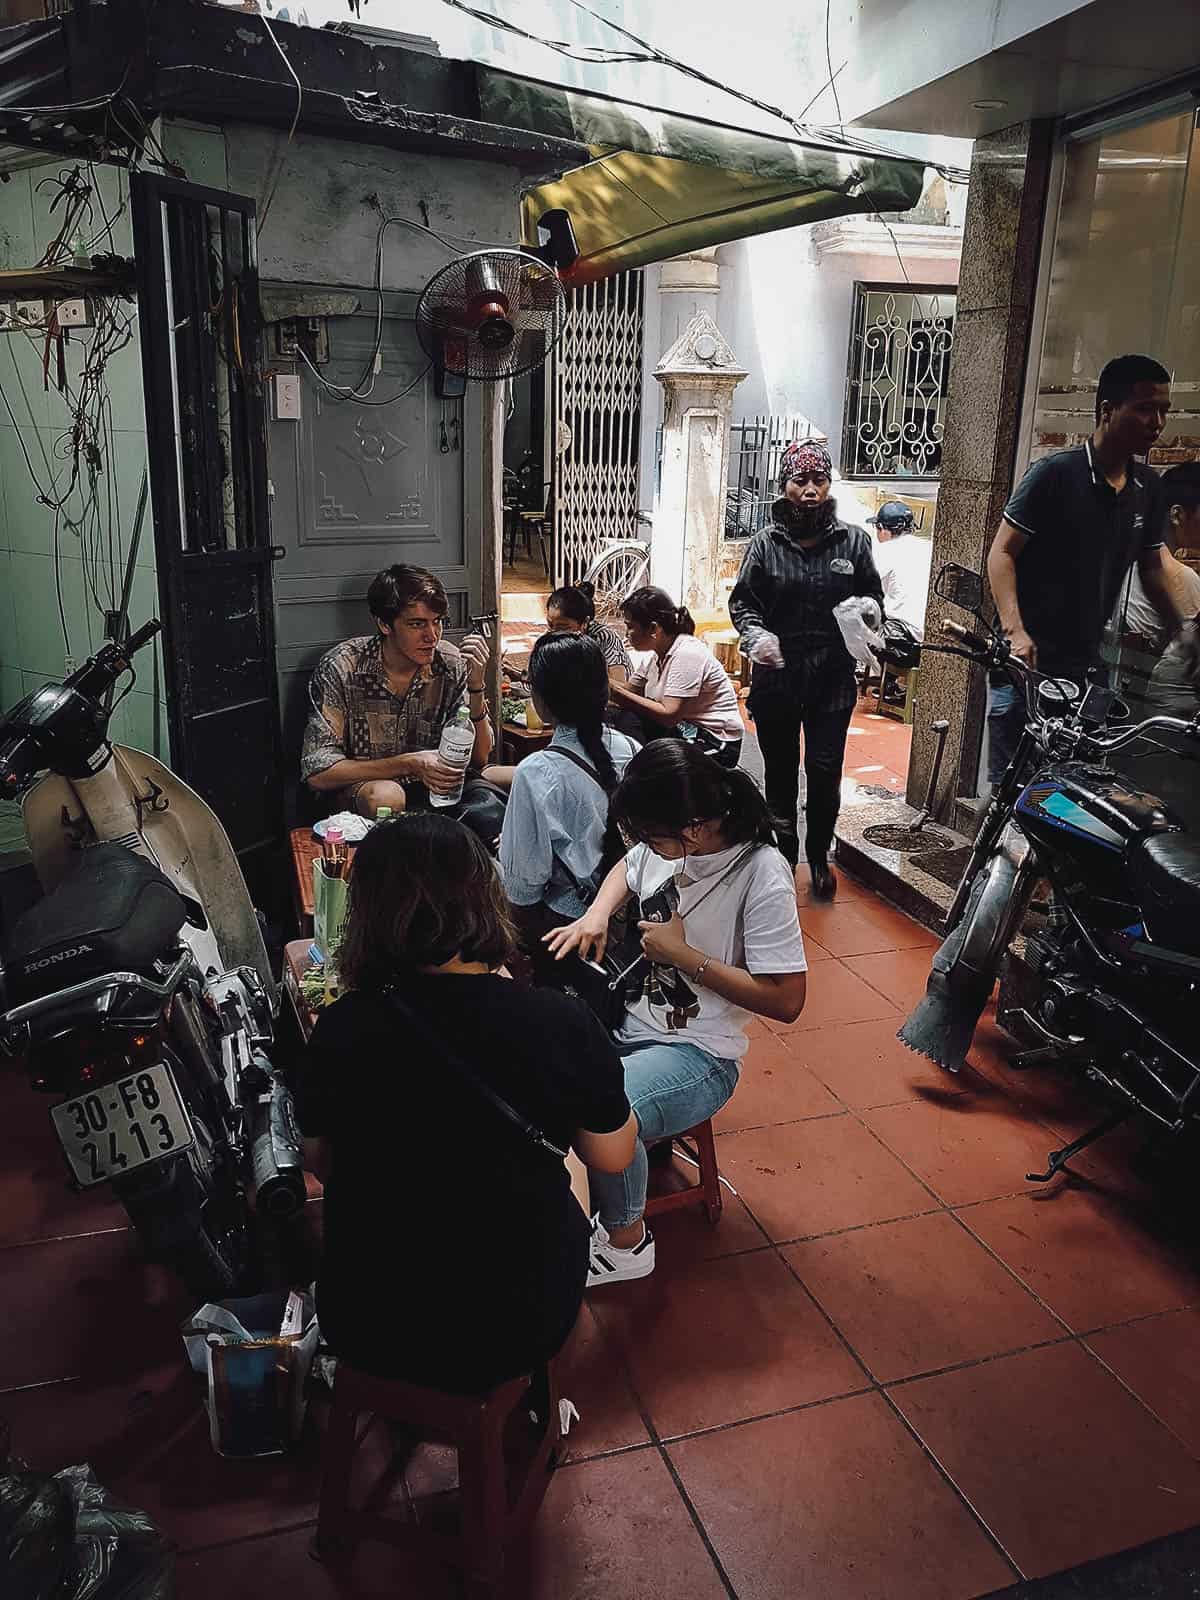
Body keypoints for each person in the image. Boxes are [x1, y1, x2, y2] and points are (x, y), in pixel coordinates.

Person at [296, 813, 637, 1393]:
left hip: (369, 1322)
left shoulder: (343, 1026)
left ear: (368, 916)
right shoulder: (557, 1021)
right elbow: (614, 1156)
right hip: (519, 1325)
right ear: (486, 900)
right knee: (573, 1160)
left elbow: (318, 1161)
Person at [545, 741, 807, 1285]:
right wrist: (595, 914)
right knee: (544, 1068)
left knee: (607, 1107)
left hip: (701, 1052)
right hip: (627, 1022)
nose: (641, 845)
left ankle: (625, 1243)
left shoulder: (761, 873)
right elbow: (628, 865)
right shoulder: (670, 847)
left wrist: (686, 956)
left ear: (691, 828)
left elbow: (787, 1000)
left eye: (649, 835)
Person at [985, 354, 1200, 783]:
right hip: (1026, 669)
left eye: (1163, 411)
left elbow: (1153, 570)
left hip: (1086, 670)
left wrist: (1183, 633)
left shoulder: (1148, 488)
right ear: (1107, 410)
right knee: (1015, 795)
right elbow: (1001, 554)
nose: (1156, 423)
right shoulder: (1053, 475)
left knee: (1073, 794)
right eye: (1144, 408)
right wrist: (1015, 631)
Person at [729, 439, 883, 897]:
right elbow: (744, 603)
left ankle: (819, 856)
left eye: (819, 480)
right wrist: (756, 635)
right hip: (777, 675)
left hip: (832, 678)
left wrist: (869, 611)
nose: (811, 490)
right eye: (801, 481)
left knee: (823, 768)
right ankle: (782, 856)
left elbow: (875, 598)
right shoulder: (765, 544)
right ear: (785, 486)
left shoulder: (853, 541)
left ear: (829, 484)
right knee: (779, 772)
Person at [301, 564, 506, 846]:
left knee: (489, 814)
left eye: (438, 621)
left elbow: (479, 759)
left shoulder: (450, 663)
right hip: (367, 792)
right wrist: (410, 763)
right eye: (417, 624)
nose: (432, 635)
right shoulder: (342, 667)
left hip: (436, 793)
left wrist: (476, 686)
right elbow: (318, 773)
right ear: (385, 624)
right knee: (387, 797)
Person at [499, 632, 639, 961]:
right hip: (630, 914)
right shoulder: (633, 749)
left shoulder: (536, 772)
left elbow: (523, 893)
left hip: (568, 925)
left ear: (541, 700)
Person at [608, 586, 744, 768]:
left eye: (630, 627)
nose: (626, 634)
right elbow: (629, 692)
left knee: (646, 757)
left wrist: (614, 691)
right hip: (681, 728)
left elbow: (669, 715)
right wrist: (597, 681)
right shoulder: (655, 656)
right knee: (617, 717)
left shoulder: (687, 653)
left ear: (654, 629)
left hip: (713, 740)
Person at [544, 582, 633, 687]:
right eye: (550, 624)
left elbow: (619, 686)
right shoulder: (550, 636)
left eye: (563, 627)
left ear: (585, 623)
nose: (554, 632)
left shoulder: (604, 638)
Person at [869, 501, 932, 637]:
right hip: (927, 629)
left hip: (899, 631)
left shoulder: (885, 551)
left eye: (877, 528)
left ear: (882, 528)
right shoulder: (928, 547)